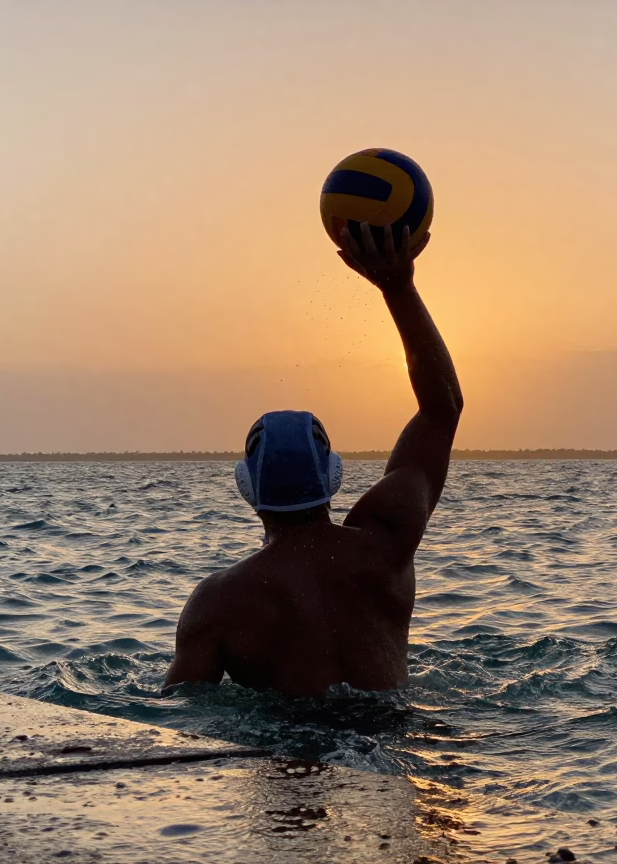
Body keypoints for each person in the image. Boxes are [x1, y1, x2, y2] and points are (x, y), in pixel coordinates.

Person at [163, 222, 462, 697]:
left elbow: (175, 717)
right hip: (391, 742)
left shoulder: (218, 602)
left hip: (297, 759)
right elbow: (442, 408)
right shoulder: (386, 545)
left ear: (248, 490)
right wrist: (398, 287)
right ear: (333, 478)